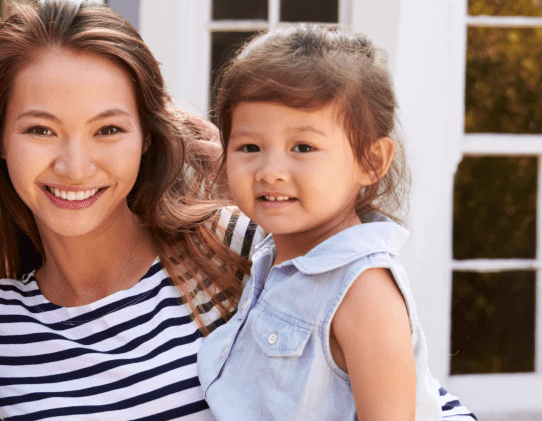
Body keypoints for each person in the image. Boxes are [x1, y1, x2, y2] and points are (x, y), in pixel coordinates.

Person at [0, 0, 254, 420]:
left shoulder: (230, 250)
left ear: (147, 137)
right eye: (41, 130)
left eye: (108, 129)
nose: (75, 167)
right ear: (0, 141)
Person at [197, 25, 472, 420]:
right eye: (249, 147)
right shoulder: (274, 254)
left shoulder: (362, 289)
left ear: (371, 161)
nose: (270, 171)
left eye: (303, 147)